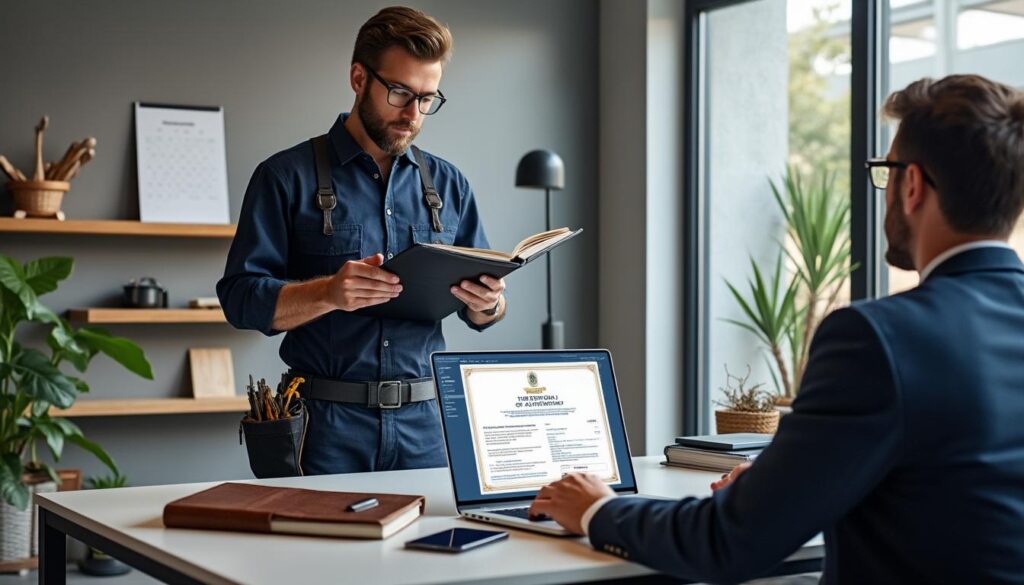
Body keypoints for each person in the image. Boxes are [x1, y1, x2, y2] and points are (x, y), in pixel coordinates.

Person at [529, 74, 1024, 583]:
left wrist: (595, 509)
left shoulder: (877, 339)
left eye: (885, 173)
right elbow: (960, 492)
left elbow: (727, 544)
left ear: (912, 185)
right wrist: (789, 484)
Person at [218, 6, 505, 475]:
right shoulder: (283, 176)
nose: (413, 114)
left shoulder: (452, 186)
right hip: (324, 429)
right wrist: (328, 292)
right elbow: (239, 300)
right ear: (358, 78)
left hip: (428, 427)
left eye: (427, 98)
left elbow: (487, 311)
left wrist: (487, 303)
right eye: (399, 92)